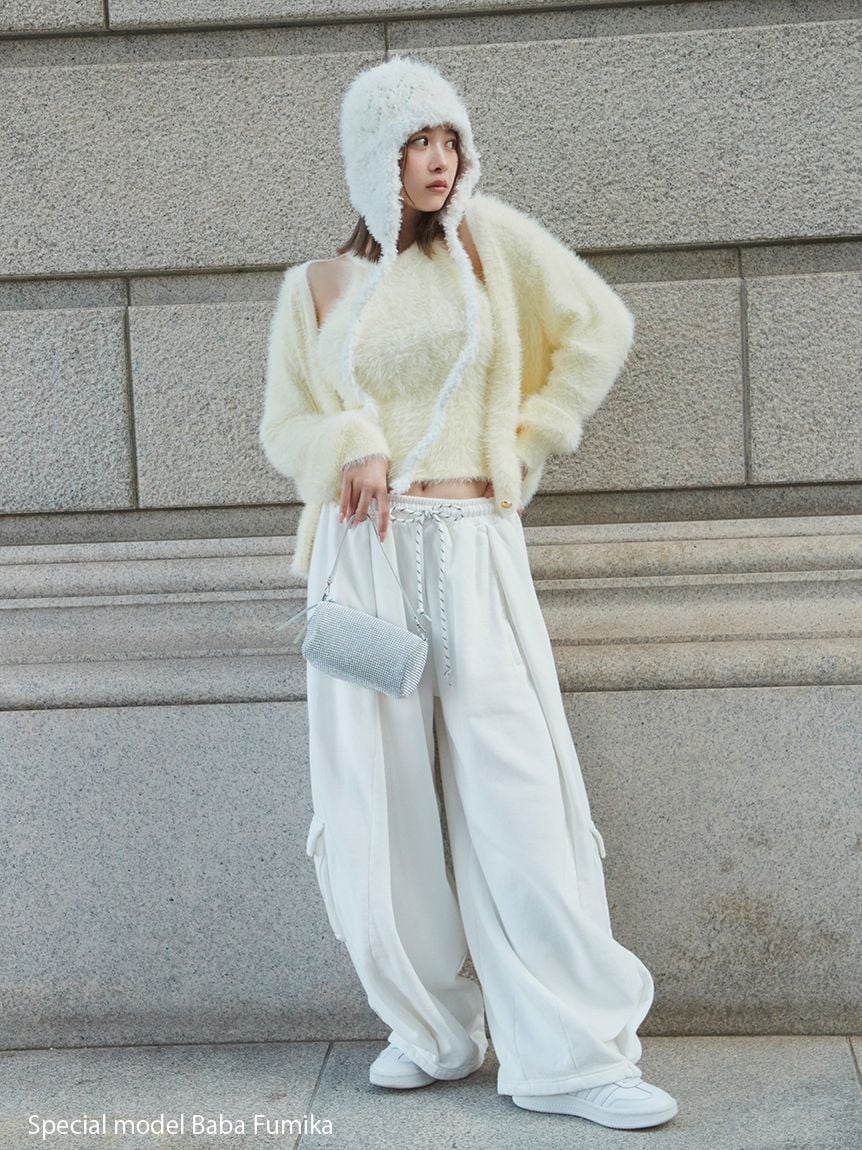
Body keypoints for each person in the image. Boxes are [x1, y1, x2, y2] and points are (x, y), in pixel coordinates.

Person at [259, 55, 679, 1131]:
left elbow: (599, 327)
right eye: (415, 142)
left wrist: (527, 444)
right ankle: (432, 1029)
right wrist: (348, 441)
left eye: (447, 137)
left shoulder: (490, 243)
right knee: (380, 801)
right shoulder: (318, 286)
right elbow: (285, 425)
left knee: (514, 790)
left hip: (472, 547)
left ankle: (572, 1055)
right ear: (374, 157)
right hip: (366, 560)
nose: (438, 159)